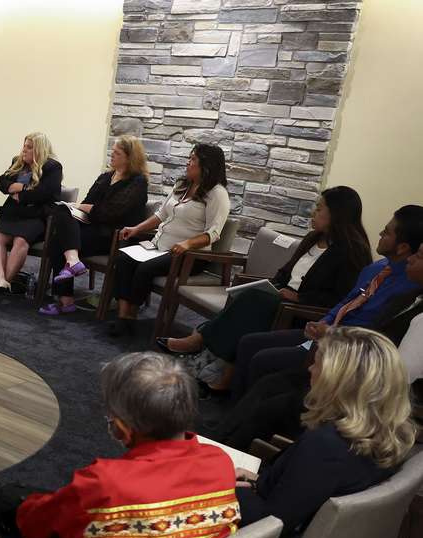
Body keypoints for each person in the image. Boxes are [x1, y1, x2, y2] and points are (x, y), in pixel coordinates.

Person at [0, 352, 238, 538]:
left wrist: (17, 505)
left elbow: (36, 528)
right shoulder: (220, 463)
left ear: (123, 430)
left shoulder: (105, 483)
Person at [208, 226, 423, 451]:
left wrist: (333, 337)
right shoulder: (398, 287)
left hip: (353, 376)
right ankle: (228, 429)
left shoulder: (408, 298)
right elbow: (346, 302)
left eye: (418, 256)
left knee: (270, 379)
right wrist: (326, 324)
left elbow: (392, 366)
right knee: (261, 366)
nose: (412, 259)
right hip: (335, 345)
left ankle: (234, 445)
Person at [159, 186, 371, 393]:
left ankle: (203, 341)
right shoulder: (313, 238)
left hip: (302, 310)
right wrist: (274, 285)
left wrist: (299, 297)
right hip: (282, 294)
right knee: (247, 295)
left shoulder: (352, 252)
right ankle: (221, 365)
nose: (313, 212)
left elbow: (341, 298)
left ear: (337, 215)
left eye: (320, 208)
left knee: (256, 301)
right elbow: (285, 273)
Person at [234, 327, 414, 538]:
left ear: (337, 380)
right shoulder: (387, 435)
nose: (310, 369)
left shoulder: (327, 447)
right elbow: (307, 493)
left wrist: (226, 489)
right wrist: (261, 481)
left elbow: (267, 526)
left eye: (317, 363)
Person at [230, 205, 423, 397]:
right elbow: (345, 302)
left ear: (403, 247)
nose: (380, 233)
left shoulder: (408, 289)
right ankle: (232, 411)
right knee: (249, 342)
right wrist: (324, 321)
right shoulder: (376, 269)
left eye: (387, 232)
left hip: (346, 348)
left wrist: (332, 332)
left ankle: (245, 418)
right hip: (325, 332)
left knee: (264, 361)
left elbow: (374, 333)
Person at [108, 144, 231, 337]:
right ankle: (123, 316)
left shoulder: (217, 194)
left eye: (193, 160)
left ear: (206, 166)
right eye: (189, 158)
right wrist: (136, 229)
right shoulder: (182, 185)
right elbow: (161, 215)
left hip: (189, 255)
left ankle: (130, 317)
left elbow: (214, 233)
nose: (188, 163)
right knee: (123, 259)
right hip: (159, 246)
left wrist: (188, 244)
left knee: (145, 268)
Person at [39, 136, 149, 316]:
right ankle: (73, 261)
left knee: (59, 241)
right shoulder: (105, 177)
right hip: (93, 227)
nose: (111, 155)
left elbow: (112, 212)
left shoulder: (137, 182)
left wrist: (84, 208)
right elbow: (88, 203)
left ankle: (66, 299)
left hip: (114, 236)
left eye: (117, 153)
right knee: (62, 212)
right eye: (112, 151)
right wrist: (81, 208)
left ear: (130, 157)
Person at [0, 132, 63, 297]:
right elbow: (2, 182)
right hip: (13, 213)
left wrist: (20, 191)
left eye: (29, 147)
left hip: (36, 215)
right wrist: (15, 187)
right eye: (24, 146)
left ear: (39, 150)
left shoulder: (52, 167)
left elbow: (44, 193)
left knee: (20, 240)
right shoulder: (18, 162)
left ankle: (5, 281)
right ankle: (1, 281)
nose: (24, 150)